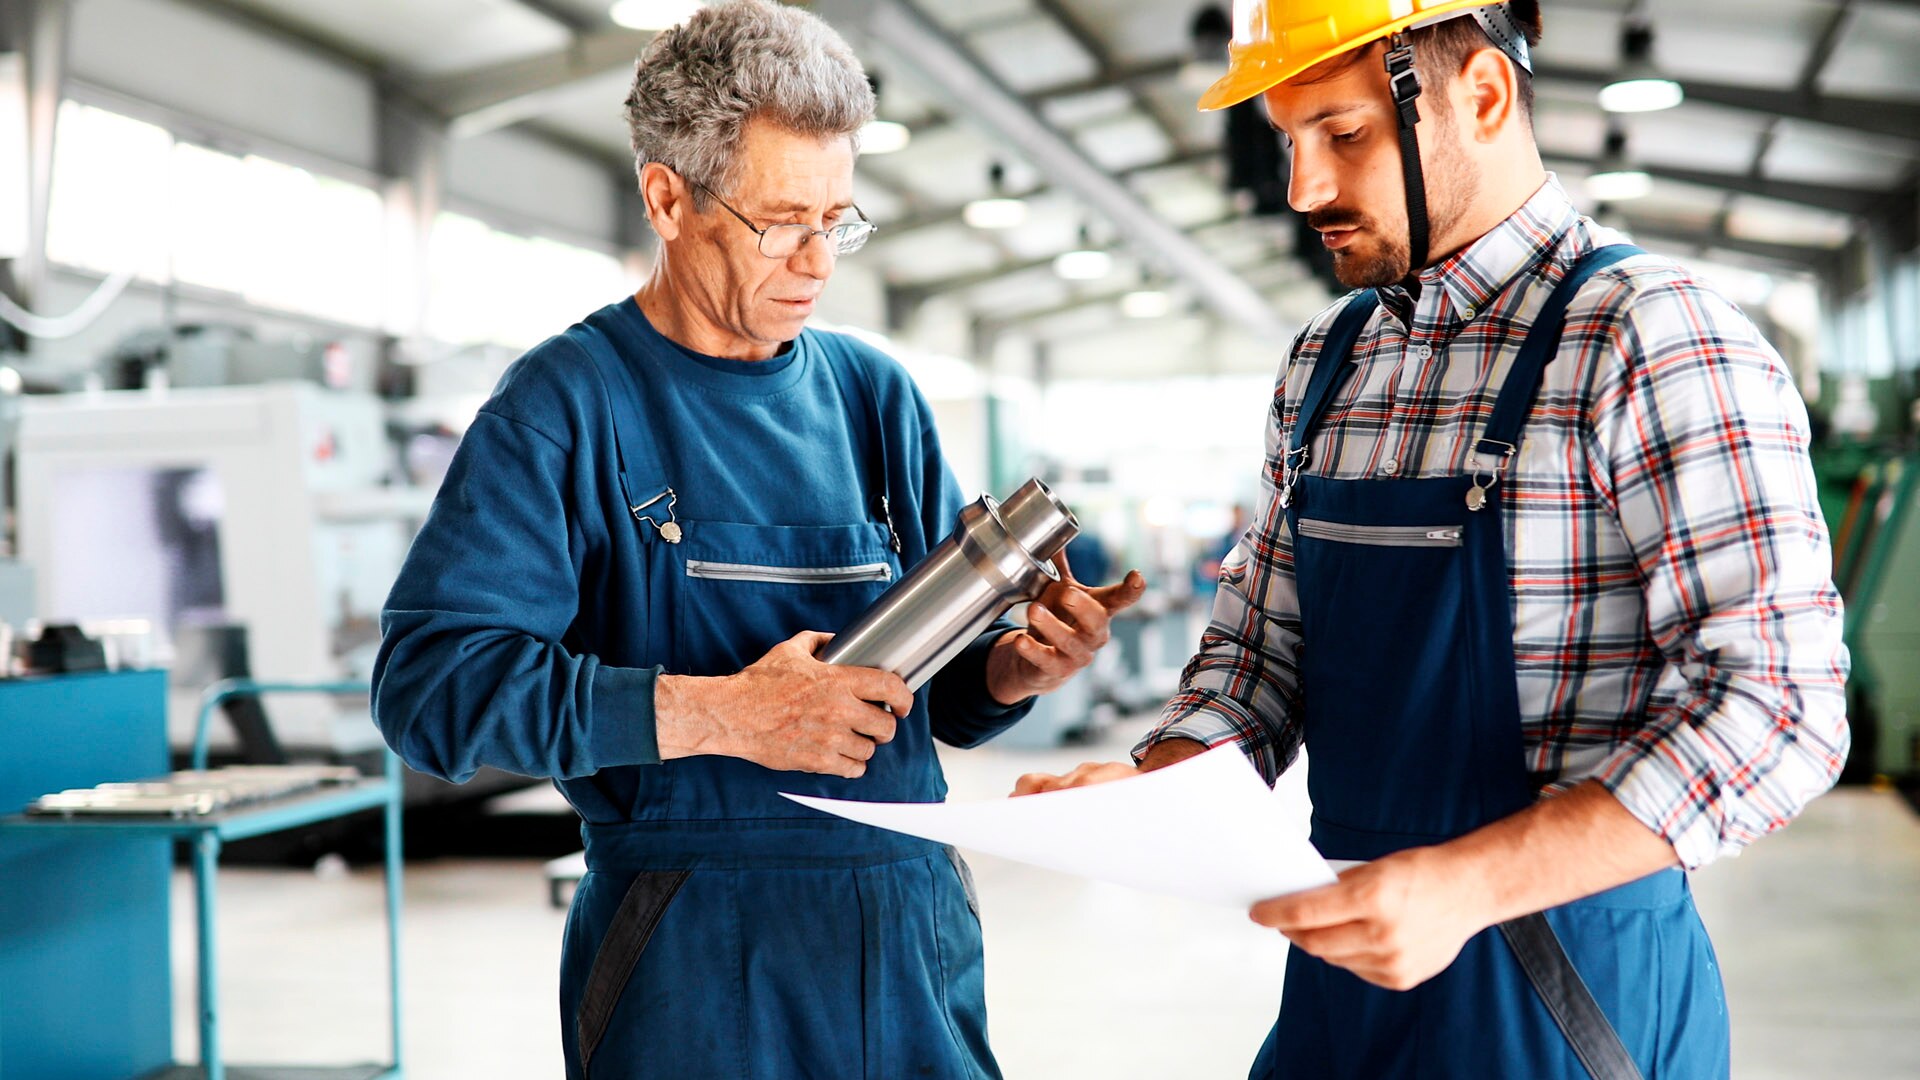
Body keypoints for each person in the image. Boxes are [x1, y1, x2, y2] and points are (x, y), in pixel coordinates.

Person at [1015, 3, 1848, 1077]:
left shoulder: (1649, 340)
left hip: (1569, 1001)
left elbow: (1779, 709)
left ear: (1484, 96)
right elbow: (1257, 664)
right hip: (1346, 987)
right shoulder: (1327, 364)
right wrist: (1161, 787)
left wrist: (1465, 886)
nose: (1304, 187)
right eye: (1288, 141)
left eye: (1344, 134)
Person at [371, 4, 1143, 1077]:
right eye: (783, 222)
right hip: (688, 954)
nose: (819, 262)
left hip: (905, 938)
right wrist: (726, 713)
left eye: (840, 219)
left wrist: (1013, 667)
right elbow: (430, 692)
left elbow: (939, 700)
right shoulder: (568, 406)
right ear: (667, 198)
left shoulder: (875, 399)